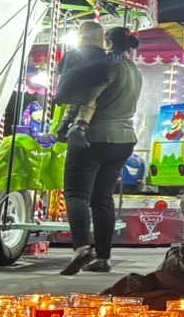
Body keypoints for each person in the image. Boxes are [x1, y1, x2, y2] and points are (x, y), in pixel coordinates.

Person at [59, 26, 144, 276]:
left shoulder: (108, 66)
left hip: (95, 137)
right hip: (124, 140)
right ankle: (104, 258)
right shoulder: (135, 70)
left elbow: (88, 98)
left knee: (76, 194)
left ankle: (82, 247)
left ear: (107, 41)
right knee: (102, 198)